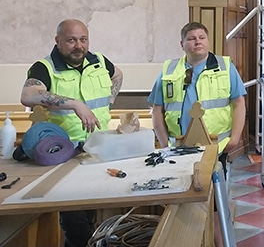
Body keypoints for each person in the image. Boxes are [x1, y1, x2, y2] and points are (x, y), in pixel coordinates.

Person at [20, 18, 123, 247]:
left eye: (83, 39)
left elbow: (118, 75)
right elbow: (28, 95)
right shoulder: (44, 67)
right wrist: (75, 104)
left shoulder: (98, 61)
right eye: (71, 40)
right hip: (65, 156)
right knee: (76, 223)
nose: (79, 45)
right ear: (58, 41)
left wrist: (110, 101)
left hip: (97, 151)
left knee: (89, 215)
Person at [148, 21, 246, 247]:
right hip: (179, 149)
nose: (197, 42)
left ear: (208, 41)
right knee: (181, 198)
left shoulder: (224, 66)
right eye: (191, 38)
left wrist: (235, 137)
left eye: (202, 37)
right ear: (182, 44)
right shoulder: (169, 70)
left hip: (215, 147)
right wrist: (164, 143)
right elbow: (157, 109)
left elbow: (239, 103)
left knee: (216, 200)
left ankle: (219, 241)